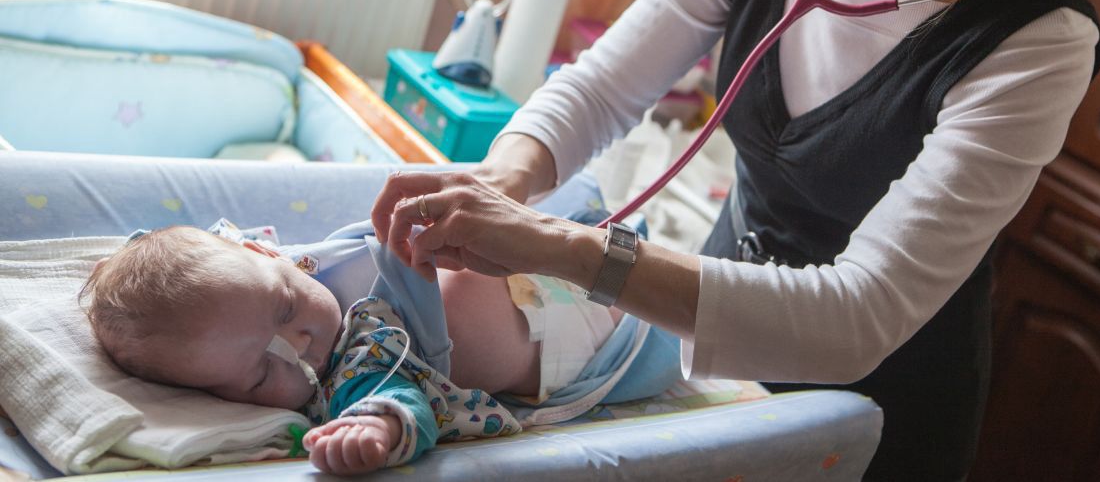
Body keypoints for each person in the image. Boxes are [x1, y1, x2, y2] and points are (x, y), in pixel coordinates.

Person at [369, 0, 1100, 479]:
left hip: (874, 398)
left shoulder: (1036, 42)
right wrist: (506, 177)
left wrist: (558, 246)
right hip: (705, 331)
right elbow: (603, 86)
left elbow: (859, 313)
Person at [79, 221, 673, 476]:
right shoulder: (357, 363)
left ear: (266, 256)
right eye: (264, 371)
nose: (303, 344)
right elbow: (392, 402)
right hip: (609, 347)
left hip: (562, 264)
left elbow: (197, 263)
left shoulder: (261, 269)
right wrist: (375, 430)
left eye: (285, 308)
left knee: (669, 264)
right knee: (706, 321)